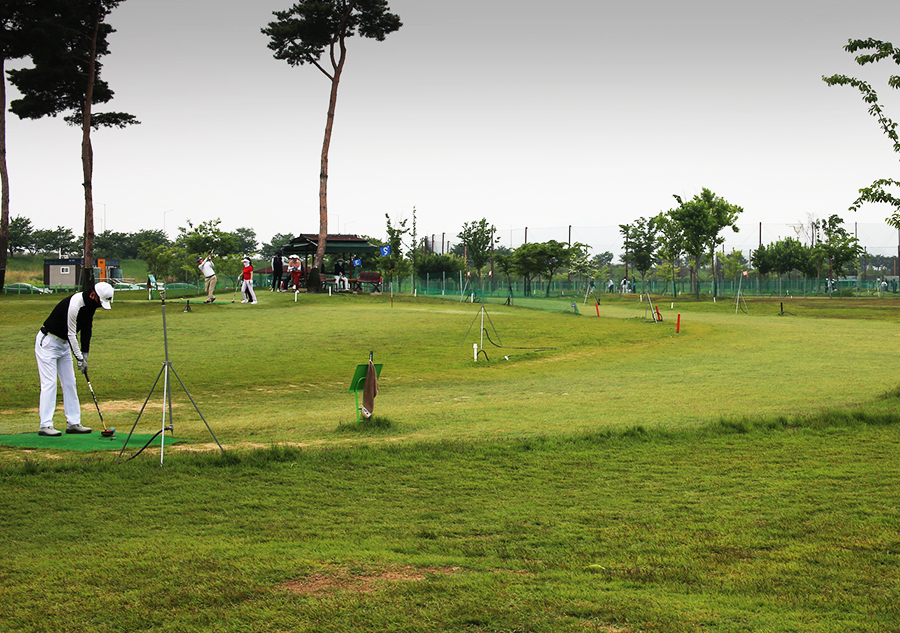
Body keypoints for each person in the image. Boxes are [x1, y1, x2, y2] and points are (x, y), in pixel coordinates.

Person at [35, 282, 115, 436]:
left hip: (64, 345)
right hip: (48, 342)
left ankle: (73, 423)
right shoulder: (75, 304)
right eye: (100, 302)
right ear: (93, 295)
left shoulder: (91, 305)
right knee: (49, 384)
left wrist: (85, 355)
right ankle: (45, 425)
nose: (99, 306)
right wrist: (79, 358)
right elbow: (72, 333)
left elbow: (86, 329)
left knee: (70, 382)